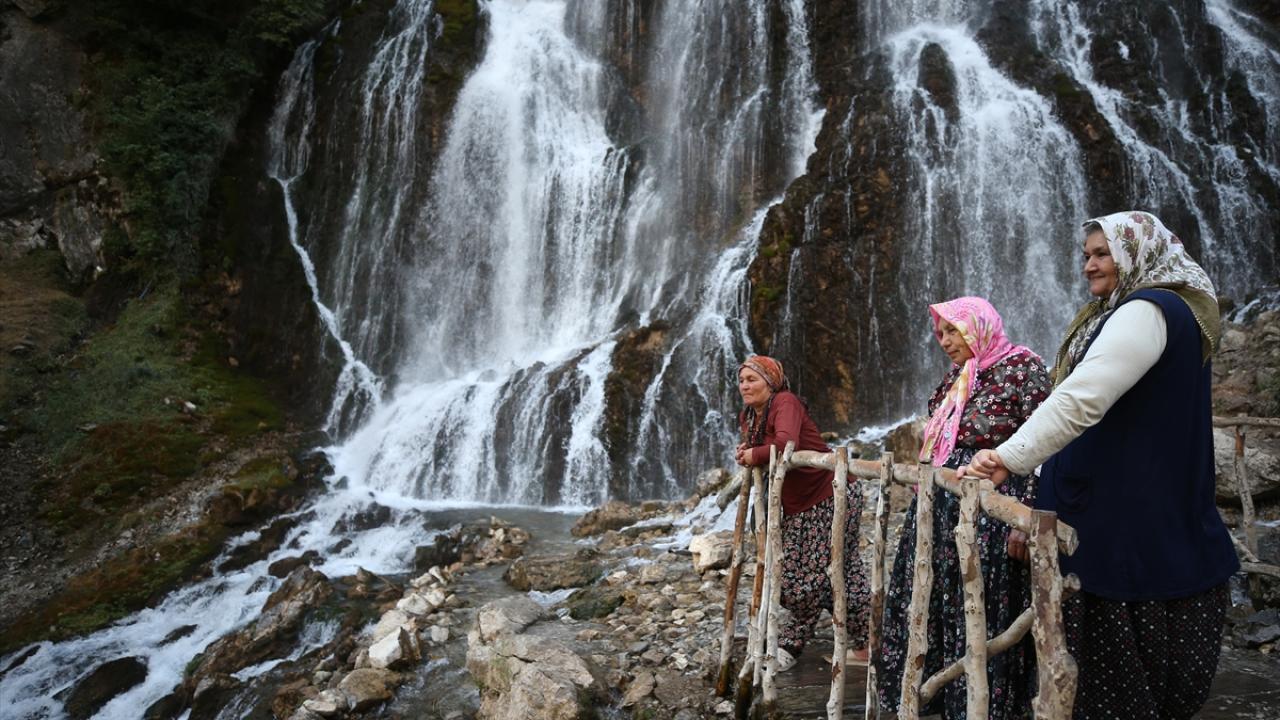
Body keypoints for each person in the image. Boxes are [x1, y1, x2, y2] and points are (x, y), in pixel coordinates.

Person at [965, 212, 1239, 720]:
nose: (1089, 265)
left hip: (1123, 532)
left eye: (1102, 253)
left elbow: (1082, 398)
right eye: (1086, 255)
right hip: (1129, 523)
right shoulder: (1145, 311)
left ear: (1137, 253)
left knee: (1116, 683)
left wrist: (1008, 458)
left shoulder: (1148, 310)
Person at [877, 297, 1052, 718]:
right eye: (940, 333)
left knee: (984, 607)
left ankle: (982, 707)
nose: (944, 341)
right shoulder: (960, 376)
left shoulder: (1023, 369)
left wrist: (1025, 513)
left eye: (952, 330)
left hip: (992, 511)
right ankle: (928, 698)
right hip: (941, 509)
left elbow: (1046, 441)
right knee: (933, 597)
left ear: (979, 325)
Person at [734, 354, 869, 671]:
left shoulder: (785, 402)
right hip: (800, 504)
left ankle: (792, 644)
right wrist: (746, 451)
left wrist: (753, 453)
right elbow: (760, 447)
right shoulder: (751, 415)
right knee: (840, 572)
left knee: (803, 579)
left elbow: (786, 443)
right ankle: (867, 644)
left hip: (829, 496)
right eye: (741, 380)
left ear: (771, 382)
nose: (744, 385)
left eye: (751, 379)